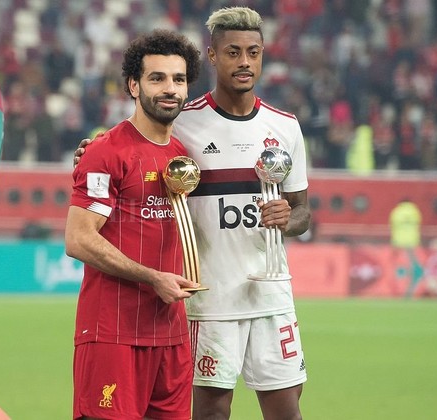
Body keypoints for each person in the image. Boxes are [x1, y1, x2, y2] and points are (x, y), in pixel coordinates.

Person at [75, 7, 311, 420]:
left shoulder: (285, 126)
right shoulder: (183, 122)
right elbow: (135, 139)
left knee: (287, 412)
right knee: (210, 412)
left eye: (253, 52)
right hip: (208, 297)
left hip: (271, 295)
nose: (244, 62)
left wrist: (286, 218)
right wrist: (91, 151)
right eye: (233, 52)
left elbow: (302, 211)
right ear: (213, 56)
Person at [64, 29, 202, 420]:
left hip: (171, 336)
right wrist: (153, 277)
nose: (170, 88)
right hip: (113, 334)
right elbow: (78, 239)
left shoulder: (184, 155)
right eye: (157, 78)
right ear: (134, 86)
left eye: (178, 79)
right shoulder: (106, 151)